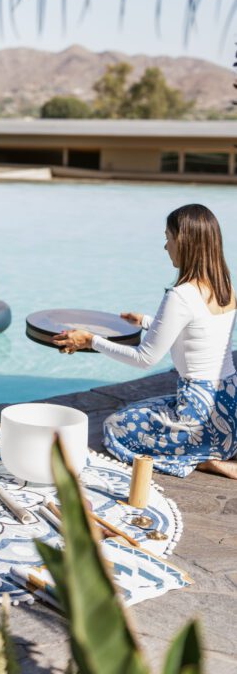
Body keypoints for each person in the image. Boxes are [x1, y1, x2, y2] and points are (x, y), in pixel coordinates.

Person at [54, 203, 237, 479]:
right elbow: (199, 333)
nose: (166, 247)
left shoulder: (181, 295)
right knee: (147, 407)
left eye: (168, 238)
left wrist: (91, 340)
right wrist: (147, 322)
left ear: (183, 242)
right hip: (229, 415)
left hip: (198, 420)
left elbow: (145, 359)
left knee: (115, 427)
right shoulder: (226, 287)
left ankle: (198, 459)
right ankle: (211, 450)